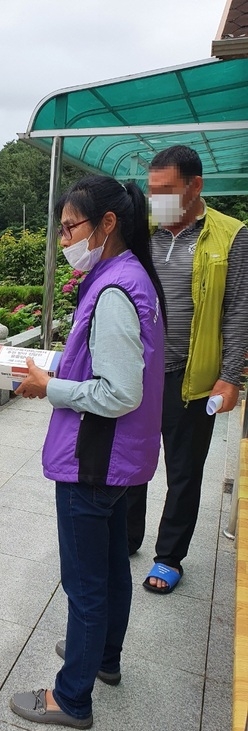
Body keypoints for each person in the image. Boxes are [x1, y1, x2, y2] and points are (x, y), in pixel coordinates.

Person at [9, 175, 166, 729]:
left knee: (85, 583)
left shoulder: (116, 291)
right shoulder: (127, 277)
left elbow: (119, 392)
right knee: (108, 570)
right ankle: (102, 659)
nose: (64, 238)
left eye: (70, 226)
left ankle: (71, 697)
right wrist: (57, 369)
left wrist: (46, 387)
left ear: (107, 224)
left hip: (95, 458)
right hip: (119, 459)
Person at [126, 145, 248, 593]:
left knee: (184, 471)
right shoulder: (143, 230)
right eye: (152, 191)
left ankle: (169, 556)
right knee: (132, 460)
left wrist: (231, 376)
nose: (156, 200)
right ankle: (127, 537)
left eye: (167, 190)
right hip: (138, 372)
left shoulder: (231, 235)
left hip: (191, 377)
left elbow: (237, 310)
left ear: (195, 186)